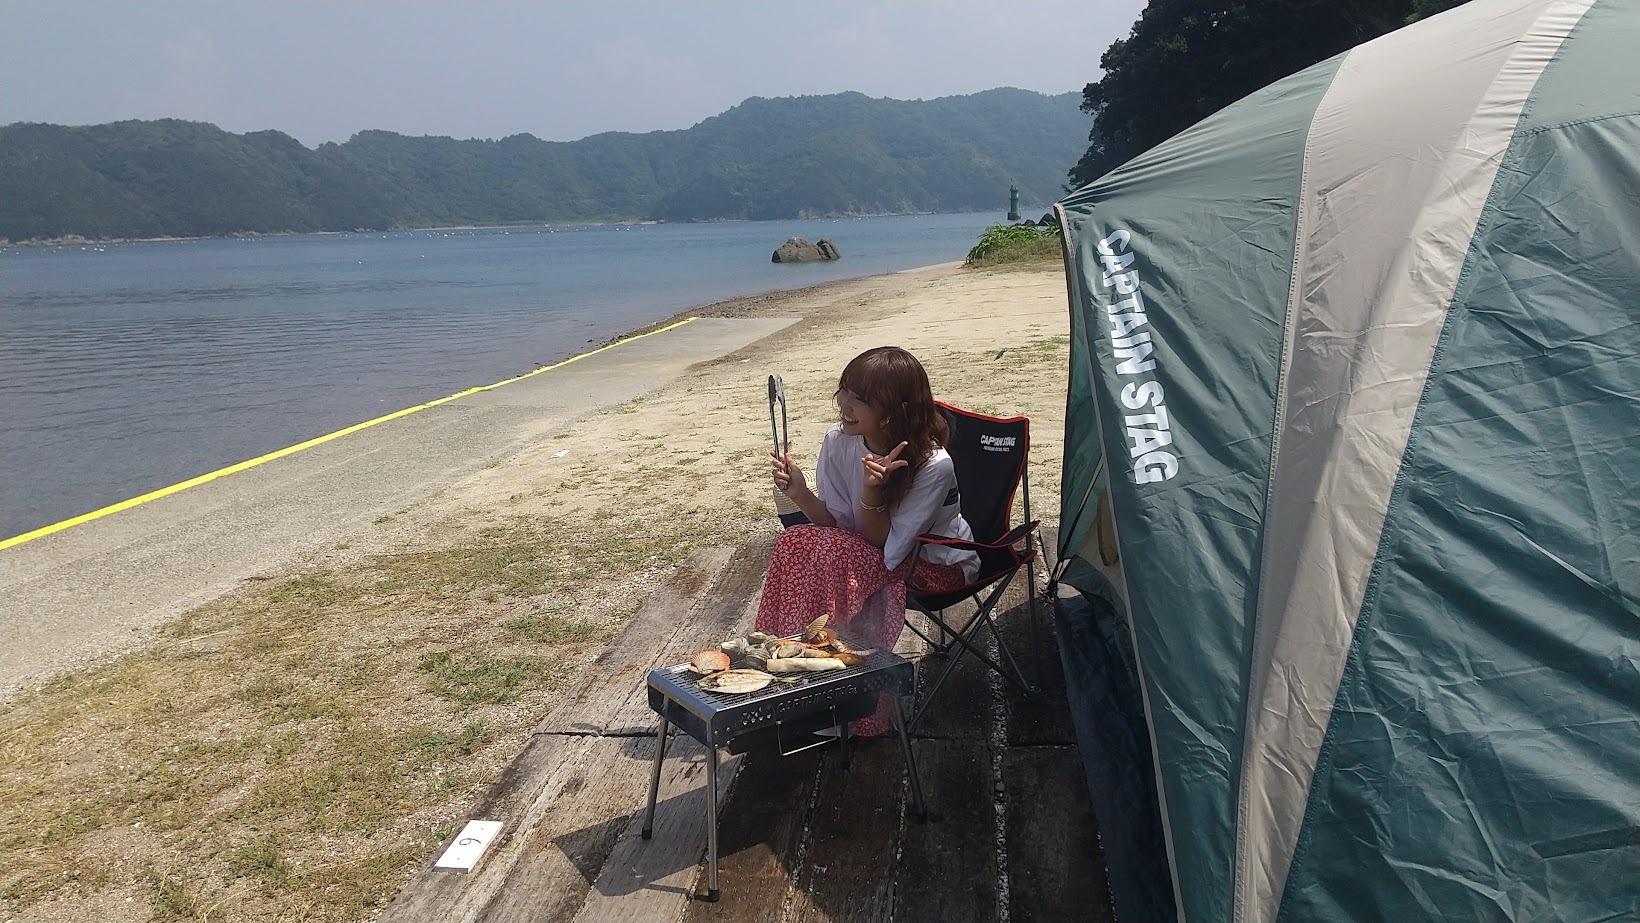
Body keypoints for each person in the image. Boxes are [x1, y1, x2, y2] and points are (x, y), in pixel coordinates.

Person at [756, 346, 979, 736]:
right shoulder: (838, 441)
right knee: (795, 542)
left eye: (859, 399)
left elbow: (889, 552)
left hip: (932, 566)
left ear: (892, 411)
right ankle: (783, 676)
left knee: (824, 551)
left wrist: (872, 495)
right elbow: (834, 526)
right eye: (844, 392)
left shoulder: (934, 464)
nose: (844, 404)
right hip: (867, 554)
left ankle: (841, 700)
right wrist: (800, 494)